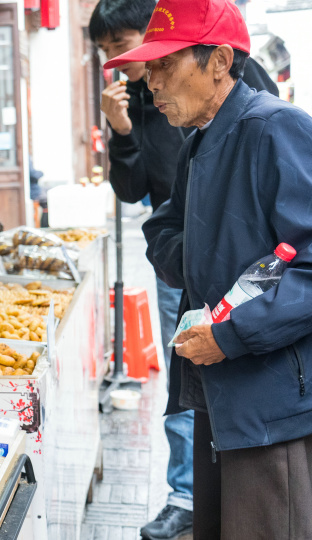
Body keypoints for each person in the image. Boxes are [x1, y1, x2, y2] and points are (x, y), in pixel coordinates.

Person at [106, 0, 312, 537]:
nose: (151, 82)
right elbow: (161, 226)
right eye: (148, 67)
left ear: (219, 60)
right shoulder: (198, 140)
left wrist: (233, 332)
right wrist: (199, 269)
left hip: (270, 396)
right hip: (216, 386)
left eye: (165, 65)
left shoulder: (276, 128)